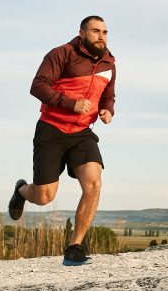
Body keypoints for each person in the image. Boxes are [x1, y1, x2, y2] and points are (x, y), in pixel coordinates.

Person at [8, 16, 115, 267]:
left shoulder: (109, 62)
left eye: (105, 32)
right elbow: (38, 86)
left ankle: (74, 247)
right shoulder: (61, 54)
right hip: (52, 129)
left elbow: (109, 94)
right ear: (81, 33)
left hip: (81, 133)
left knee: (94, 183)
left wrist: (108, 110)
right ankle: (22, 190)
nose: (102, 36)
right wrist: (70, 103)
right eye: (96, 31)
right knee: (44, 196)